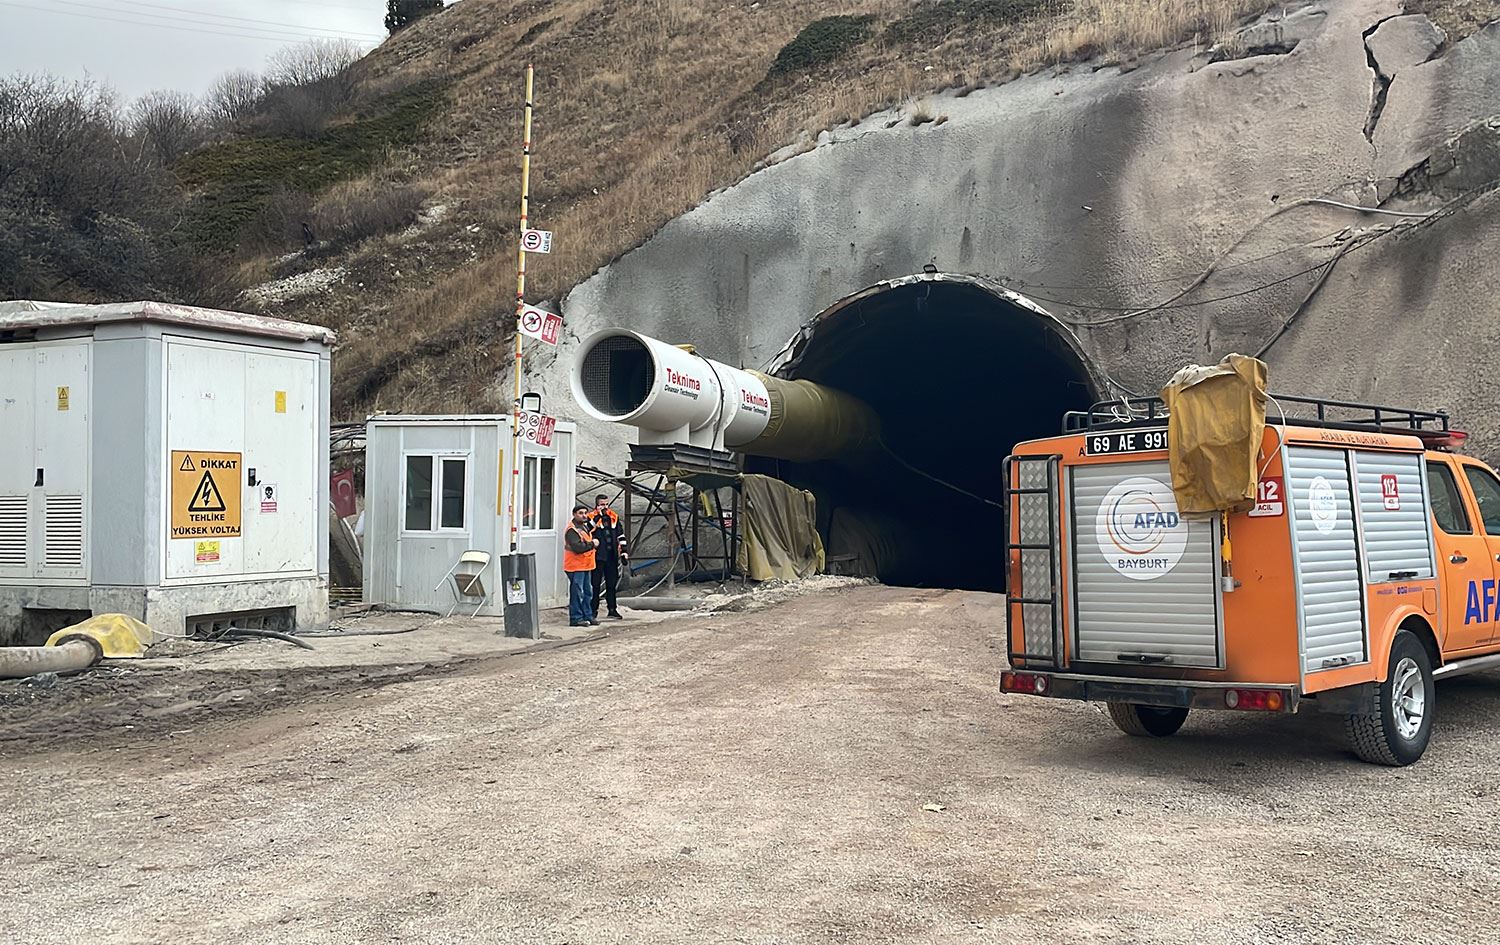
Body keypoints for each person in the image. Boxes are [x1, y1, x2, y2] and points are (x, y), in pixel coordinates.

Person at [589, 493, 628, 620]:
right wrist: (598, 516)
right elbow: (587, 529)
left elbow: (620, 535)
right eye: (602, 505)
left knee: (611, 584)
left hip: (611, 555)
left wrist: (623, 552)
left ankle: (612, 609)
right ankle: (593, 611)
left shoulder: (613, 517)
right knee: (595, 584)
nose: (605, 507)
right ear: (597, 505)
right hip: (597, 556)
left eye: (606, 504)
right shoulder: (591, 517)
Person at [563, 504, 600, 627]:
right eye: (580, 513)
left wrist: (599, 513)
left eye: (585, 513)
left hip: (585, 565)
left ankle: (587, 616)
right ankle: (576, 618)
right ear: (574, 514)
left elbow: (592, 525)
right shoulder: (572, 530)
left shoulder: (583, 527)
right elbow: (578, 548)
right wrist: (592, 544)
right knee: (578, 593)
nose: (584, 515)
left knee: (587, 592)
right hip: (575, 566)